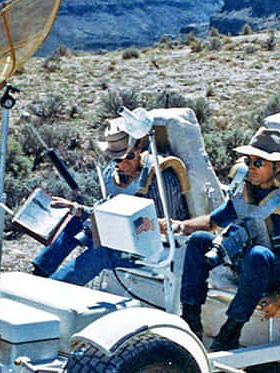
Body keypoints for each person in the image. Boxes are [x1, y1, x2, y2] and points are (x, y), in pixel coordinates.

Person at [167, 127, 280, 351]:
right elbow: (213, 222)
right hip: (247, 261)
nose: (250, 168)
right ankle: (191, 318)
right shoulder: (244, 190)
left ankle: (231, 331)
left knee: (258, 255)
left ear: (278, 166)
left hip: (277, 267)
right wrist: (178, 225)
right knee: (199, 240)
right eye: (248, 161)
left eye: (258, 163)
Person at [31, 118, 190, 286]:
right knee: (75, 222)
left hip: (154, 246)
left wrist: (116, 227)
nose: (124, 164)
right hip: (121, 234)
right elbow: (106, 209)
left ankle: (53, 289)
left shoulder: (160, 177)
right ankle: (38, 273)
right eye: (117, 159)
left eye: (129, 156)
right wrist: (79, 210)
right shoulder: (112, 174)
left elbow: (160, 226)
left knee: (104, 252)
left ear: (139, 148)